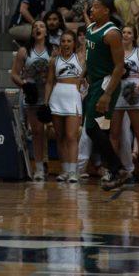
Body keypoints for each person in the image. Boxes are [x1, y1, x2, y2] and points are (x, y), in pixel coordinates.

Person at [81, 0, 127, 189]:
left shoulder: (112, 34)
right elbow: (91, 52)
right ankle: (113, 170)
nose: (92, 10)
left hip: (106, 86)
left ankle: (118, 169)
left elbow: (119, 67)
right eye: (91, 8)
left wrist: (107, 94)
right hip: (93, 85)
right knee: (100, 128)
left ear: (106, 10)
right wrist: (84, 71)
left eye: (96, 7)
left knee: (92, 128)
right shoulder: (91, 28)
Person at [10, 20, 52, 180]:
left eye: (41, 26)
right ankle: (39, 167)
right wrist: (24, 85)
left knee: (58, 132)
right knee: (37, 132)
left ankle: (66, 168)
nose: (38, 29)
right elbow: (14, 74)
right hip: (32, 95)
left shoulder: (53, 50)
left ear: (46, 32)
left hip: (50, 94)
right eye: (35, 27)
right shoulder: (24, 51)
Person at [112, 26, 139, 183]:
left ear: (134, 36)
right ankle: (114, 170)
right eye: (123, 32)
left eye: (129, 32)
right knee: (114, 134)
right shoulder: (114, 52)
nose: (126, 35)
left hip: (134, 94)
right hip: (117, 92)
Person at [45, 31, 84, 183]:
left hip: (73, 97)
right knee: (60, 136)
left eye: (69, 41)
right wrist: (46, 102)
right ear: (60, 43)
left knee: (71, 136)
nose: (66, 44)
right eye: (63, 41)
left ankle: (74, 172)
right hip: (57, 97)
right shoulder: (54, 60)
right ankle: (65, 170)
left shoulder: (80, 57)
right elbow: (49, 82)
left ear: (74, 43)